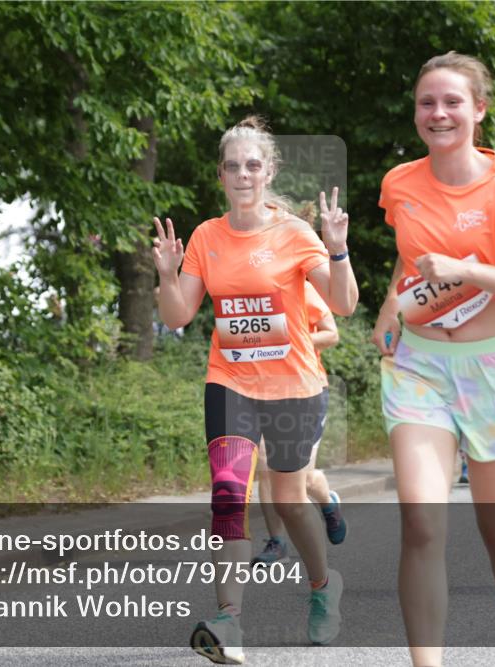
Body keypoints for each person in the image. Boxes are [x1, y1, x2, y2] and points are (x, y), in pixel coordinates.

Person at [372, 51, 495, 667]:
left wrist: (469, 269)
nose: (439, 113)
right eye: (427, 102)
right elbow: (410, 259)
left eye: (453, 101)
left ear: (479, 109)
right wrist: (388, 310)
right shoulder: (399, 183)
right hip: (420, 369)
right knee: (422, 525)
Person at [152, 115, 358, 663]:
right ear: (220, 175)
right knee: (227, 495)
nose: (242, 174)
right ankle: (228, 622)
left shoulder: (293, 233)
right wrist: (168, 276)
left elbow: (342, 305)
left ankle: (322, 587)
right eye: (232, 166)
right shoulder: (205, 237)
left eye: (252, 165)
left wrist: (337, 251)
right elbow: (176, 317)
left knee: (289, 504)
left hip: (293, 386)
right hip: (231, 384)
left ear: (268, 171)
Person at [252, 281, 348, 567]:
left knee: (302, 479)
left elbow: (331, 334)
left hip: (306, 388)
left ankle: (328, 502)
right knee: (267, 468)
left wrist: (292, 339)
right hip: (261, 389)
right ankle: (277, 541)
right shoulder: (251, 290)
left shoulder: (305, 289)